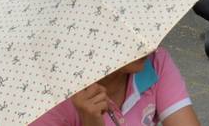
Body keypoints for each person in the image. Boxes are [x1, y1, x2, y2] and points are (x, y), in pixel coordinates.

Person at [30, 47, 199, 126]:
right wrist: (91, 122)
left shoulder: (154, 62)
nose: (143, 43)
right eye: (125, 36)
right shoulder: (50, 101)